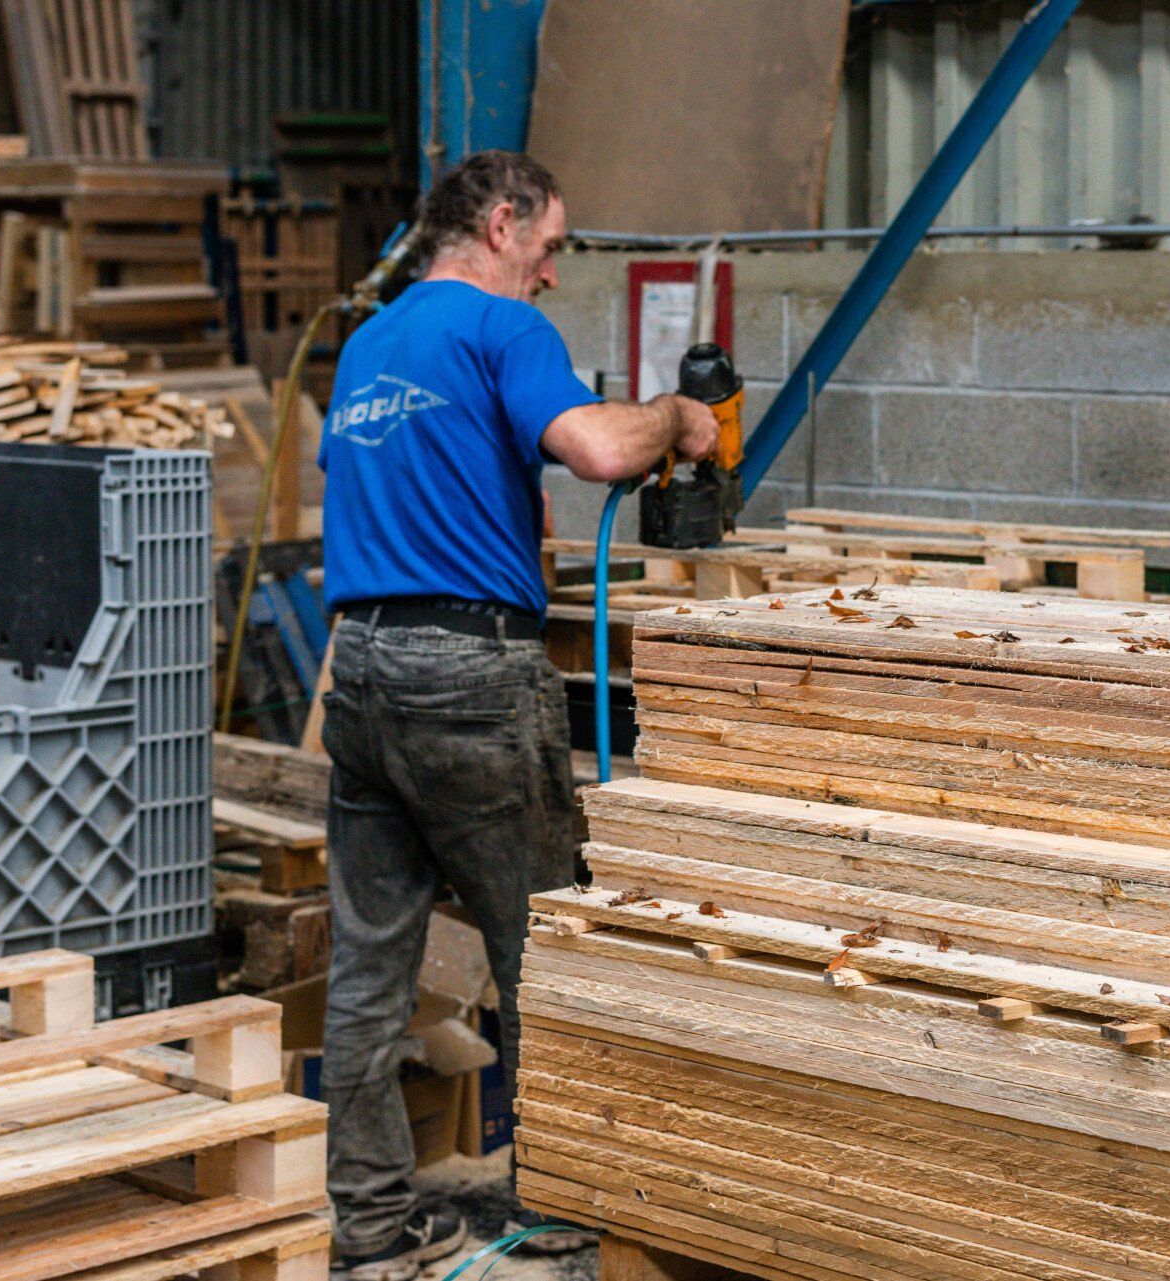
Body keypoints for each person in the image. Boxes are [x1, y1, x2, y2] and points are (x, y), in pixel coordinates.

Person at [315, 151, 718, 1281]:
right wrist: (675, 417)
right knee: (551, 953)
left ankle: (372, 1231)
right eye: (548, 248)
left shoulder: (367, 344)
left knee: (367, 975)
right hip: (471, 678)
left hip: (364, 677)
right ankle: (574, 1216)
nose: (549, 274)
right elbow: (593, 449)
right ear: (500, 224)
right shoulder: (504, 333)